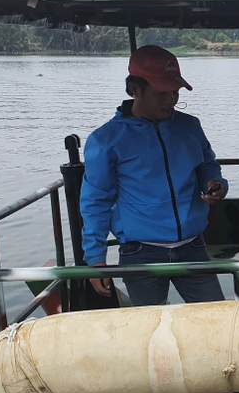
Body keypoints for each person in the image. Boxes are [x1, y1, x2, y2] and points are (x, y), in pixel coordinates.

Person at [81, 45, 228, 306]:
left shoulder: (190, 126)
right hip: (140, 252)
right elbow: (96, 201)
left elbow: (207, 165)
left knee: (217, 318)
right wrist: (95, 258)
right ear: (134, 90)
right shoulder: (105, 140)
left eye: (175, 92)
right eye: (161, 93)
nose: (170, 100)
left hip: (193, 247)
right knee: (147, 326)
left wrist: (215, 184)